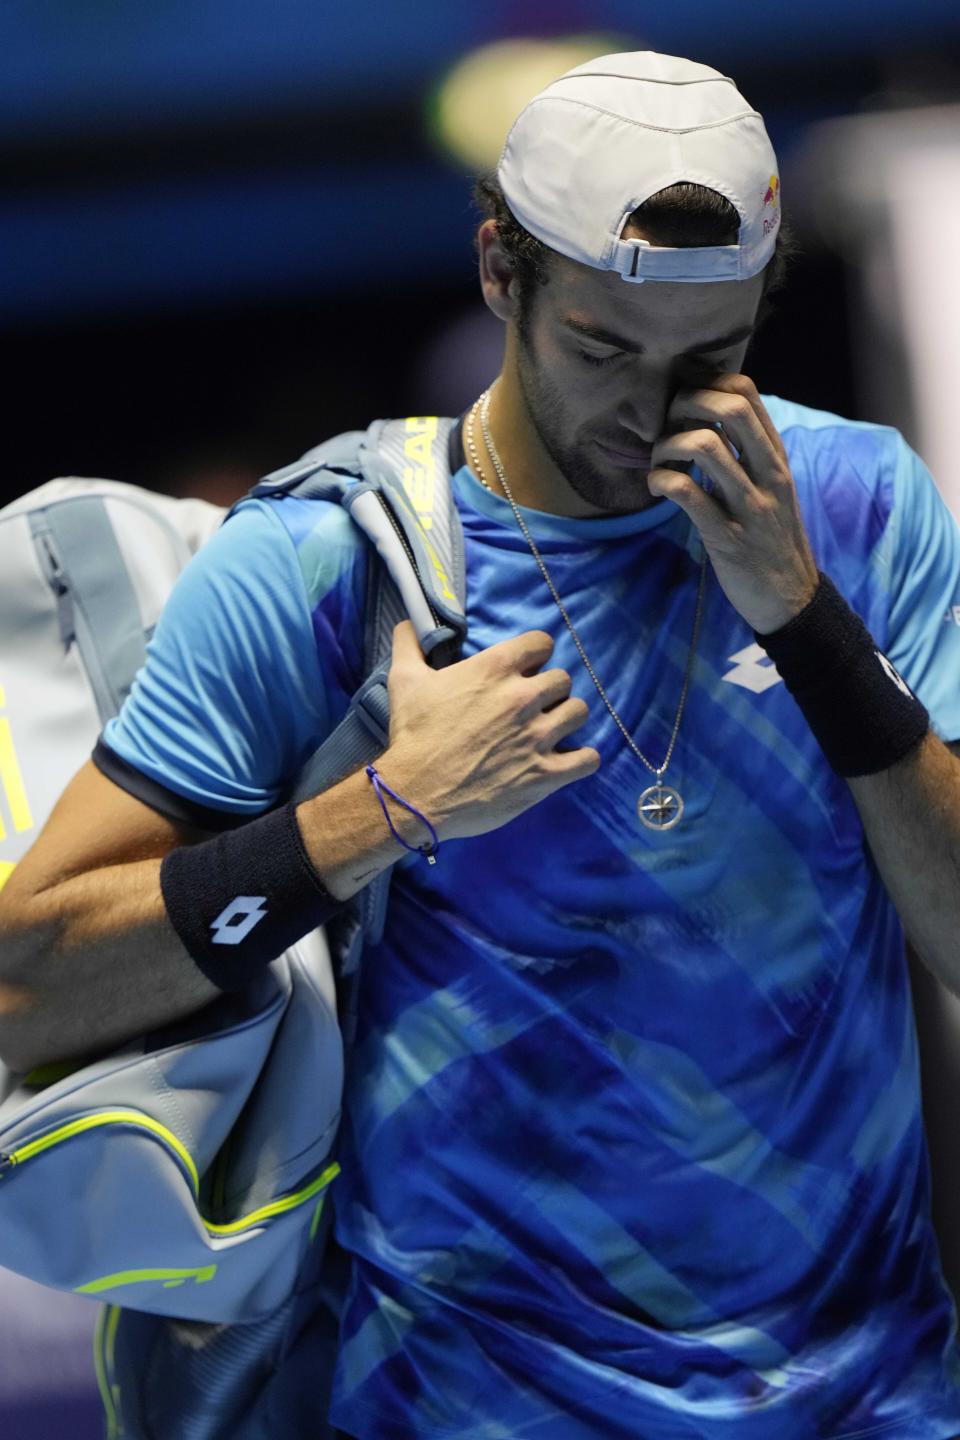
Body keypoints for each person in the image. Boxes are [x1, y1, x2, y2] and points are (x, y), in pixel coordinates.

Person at [3, 48, 960, 1440]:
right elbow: (30, 983)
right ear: (501, 273)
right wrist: (373, 816)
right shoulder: (324, 560)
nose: (651, 414)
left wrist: (809, 625)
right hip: (457, 1405)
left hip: (871, 1400)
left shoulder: (863, 507)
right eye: (602, 350)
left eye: (710, 358)